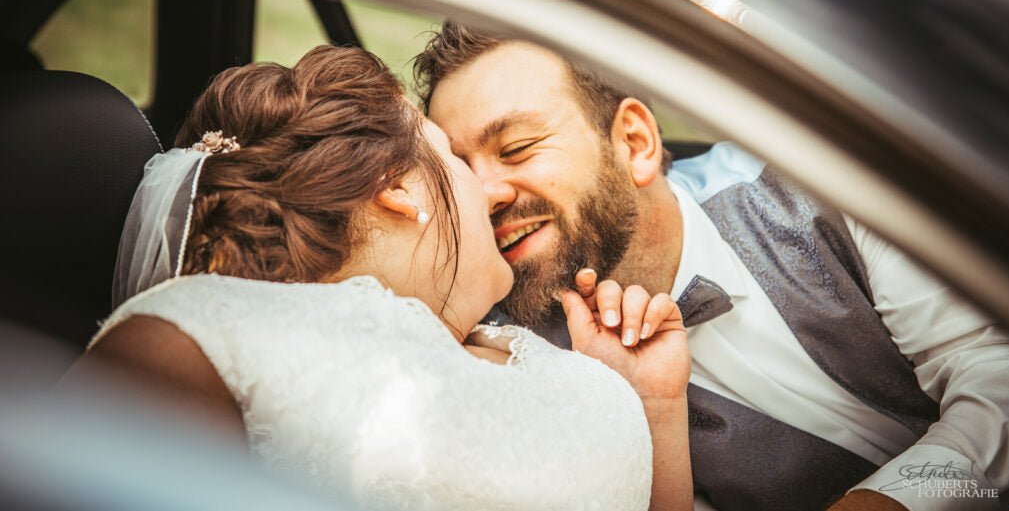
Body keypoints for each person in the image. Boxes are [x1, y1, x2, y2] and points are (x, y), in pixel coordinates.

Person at [413, 23, 1009, 511]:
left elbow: (999, 375)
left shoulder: (819, 181)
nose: (485, 193)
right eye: (459, 172)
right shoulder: (521, 362)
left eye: (515, 148)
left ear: (635, 142)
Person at [66, 45, 694, 511]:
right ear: (397, 190)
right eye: (454, 158)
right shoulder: (203, 336)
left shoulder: (555, 355)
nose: (490, 192)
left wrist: (655, 407)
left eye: (516, 150)